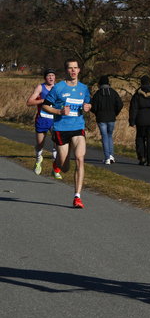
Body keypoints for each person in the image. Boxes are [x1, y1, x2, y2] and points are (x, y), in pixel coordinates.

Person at [41, 58, 91, 208]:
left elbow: (87, 103)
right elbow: (45, 106)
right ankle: (57, 163)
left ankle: (77, 197)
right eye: (70, 68)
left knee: (80, 158)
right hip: (61, 128)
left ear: (79, 70)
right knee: (65, 167)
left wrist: (88, 107)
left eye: (75, 68)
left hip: (78, 127)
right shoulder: (58, 88)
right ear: (66, 70)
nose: (73, 70)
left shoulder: (84, 88)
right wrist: (59, 111)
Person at [26, 68, 56, 175]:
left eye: (53, 75)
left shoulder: (58, 88)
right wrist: (43, 100)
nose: (51, 77)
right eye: (49, 76)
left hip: (55, 119)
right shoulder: (40, 87)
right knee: (40, 144)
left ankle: (55, 166)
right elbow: (29, 102)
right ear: (45, 78)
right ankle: (38, 159)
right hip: (42, 119)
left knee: (58, 142)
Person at [91, 75, 123, 165]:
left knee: (104, 136)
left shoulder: (97, 94)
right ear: (108, 83)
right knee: (109, 136)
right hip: (111, 118)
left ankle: (107, 158)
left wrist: (97, 113)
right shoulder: (113, 92)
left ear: (100, 83)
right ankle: (111, 156)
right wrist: (115, 113)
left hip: (101, 118)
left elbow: (93, 107)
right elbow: (120, 104)